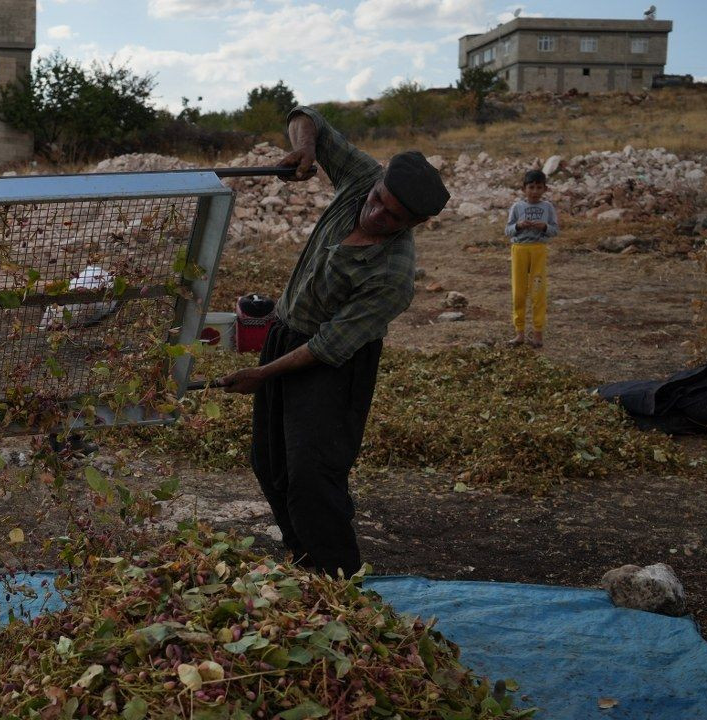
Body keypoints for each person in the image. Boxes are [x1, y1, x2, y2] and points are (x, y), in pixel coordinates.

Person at [219, 106, 450, 578]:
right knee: (269, 464)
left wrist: (261, 374)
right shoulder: (362, 179)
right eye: (380, 199)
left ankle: (338, 584)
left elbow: (328, 346)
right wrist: (304, 150)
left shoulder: (392, 274)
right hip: (285, 335)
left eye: (394, 216)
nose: (378, 212)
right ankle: (304, 565)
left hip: (331, 367)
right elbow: (309, 118)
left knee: (312, 477)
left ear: (415, 224)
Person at [505, 169, 559, 348]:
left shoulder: (547, 207)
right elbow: (508, 230)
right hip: (519, 250)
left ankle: (538, 334)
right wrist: (518, 226)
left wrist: (544, 227)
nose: (534, 191)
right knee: (519, 292)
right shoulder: (517, 207)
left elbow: (555, 230)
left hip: (538, 250)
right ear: (524, 188)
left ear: (545, 189)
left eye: (538, 187)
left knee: (538, 292)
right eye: (531, 187)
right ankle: (519, 333)